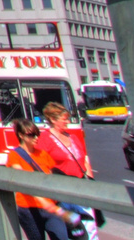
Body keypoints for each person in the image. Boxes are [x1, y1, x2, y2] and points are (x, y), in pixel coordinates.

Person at [7, 118, 81, 240]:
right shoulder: (14, 155)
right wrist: (42, 200)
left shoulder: (43, 154)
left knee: (62, 237)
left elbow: (52, 178)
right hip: (29, 209)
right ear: (21, 135)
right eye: (31, 135)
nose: (36, 138)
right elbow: (22, 180)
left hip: (50, 207)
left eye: (37, 134)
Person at [39, 102, 98, 240]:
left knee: (90, 230)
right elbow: (42, 167)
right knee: (73, 233)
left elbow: (84, 160)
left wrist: (91, 183)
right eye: (64, 119)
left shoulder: (73, 137)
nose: (68, 122)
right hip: (62, 192)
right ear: (53, 120)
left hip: (81, 189)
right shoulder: (44, 139)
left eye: (68, 118)